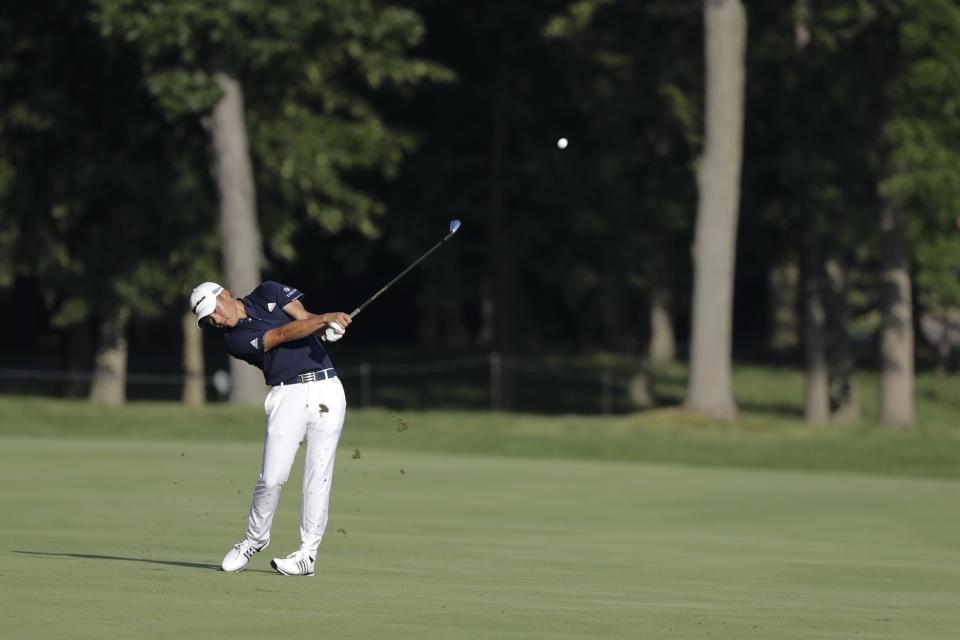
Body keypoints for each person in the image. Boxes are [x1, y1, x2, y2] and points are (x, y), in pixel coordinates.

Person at [189, 280, 352, 577]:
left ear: (224, 295)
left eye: (213, 312)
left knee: (319, 475)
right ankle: (255, 539)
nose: (215, 321)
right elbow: (282, 334)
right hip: (286, 395)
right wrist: (325, 320)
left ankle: (307, 555)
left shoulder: (269, 292)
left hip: (327, 389)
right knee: (272, 478)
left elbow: (303, 319)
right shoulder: (234, 341)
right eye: (208, 320)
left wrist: (328, 328)